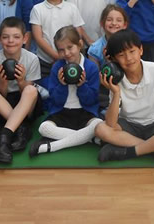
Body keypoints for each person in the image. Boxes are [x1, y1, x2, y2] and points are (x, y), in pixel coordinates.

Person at [94, 29, 154, 166]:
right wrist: (116, 92)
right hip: (130, 124)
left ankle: (129, 152)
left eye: (132, 51)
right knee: (100, 129)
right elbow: (111, 124)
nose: (129, 58)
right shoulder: (115, 79)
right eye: (121, 55)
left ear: (141, 50)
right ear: (114, 60)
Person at [29, 26, 102, 157]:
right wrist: (62, 85)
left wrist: (82, 86)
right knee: (44, 128)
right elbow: (55, 99)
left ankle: (53, 146)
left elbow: (92, 99)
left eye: (70, 47)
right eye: (61, 50)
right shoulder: (57, 67)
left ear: (80, 44)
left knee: (99, 125)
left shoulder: (91, 67)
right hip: (62, 112)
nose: (67, 53)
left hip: (85, 113)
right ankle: (88, 139)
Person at [0, 17, 43, 163]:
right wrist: (2, 82)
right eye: (6, 37)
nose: (11, 41)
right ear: (0, 39)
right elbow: (0, 95)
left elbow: (27, 92)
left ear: (25, 38)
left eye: (16, 37)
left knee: (31, 90)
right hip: (2, 102)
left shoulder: (32, 59)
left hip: (23, 103)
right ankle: (19, 128)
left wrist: (21, 81)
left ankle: (4, 136)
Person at [30, 0, 87, 77]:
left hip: (70, 58)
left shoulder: (71, 8)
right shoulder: (37, 9)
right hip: (45, 60)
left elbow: (78, 33)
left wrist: (67, 55)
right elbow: (38, 38)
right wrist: (56, 55)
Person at [87, 4, 129, 69]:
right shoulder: (94, 49)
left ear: (125, 25)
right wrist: (106, 62)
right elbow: (95, 75)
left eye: (119, 20)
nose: (114, 23)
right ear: (102, 23)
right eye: (109, 20)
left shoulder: (130, 45)